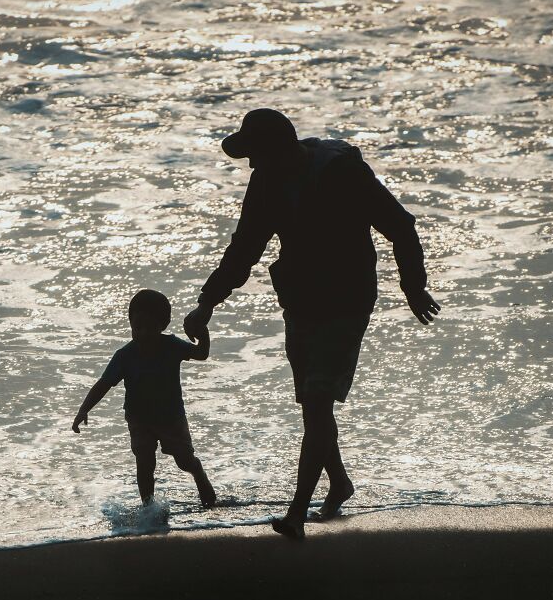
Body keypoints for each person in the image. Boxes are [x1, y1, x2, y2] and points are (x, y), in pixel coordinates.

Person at [184, 108, 440, 539]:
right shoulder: (265, 180)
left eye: (255, 154)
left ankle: (297, 513)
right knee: (312, 405)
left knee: (319, 399)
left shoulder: (343, 172)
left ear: (280, 148)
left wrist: (413, 287)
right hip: (301, 299)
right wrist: (207, 302)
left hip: (347, 298)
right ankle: (338, 483)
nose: (250, 164)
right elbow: (245, 247)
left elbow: (401, 226)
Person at [73, 288, 216, 508]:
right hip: (139, 420)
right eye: (137, 327)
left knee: (184, 460)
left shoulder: (172, 346)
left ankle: (198, 473)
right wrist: (84, 409)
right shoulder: (125, 355)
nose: (143, 333)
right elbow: (104, 384)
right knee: (144, 464)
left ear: (163, 325)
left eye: (149, 327)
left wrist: (203, 333)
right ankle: (148, 509)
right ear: (130, 324)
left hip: (171, 418)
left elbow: (201, 354)